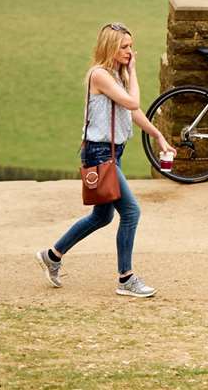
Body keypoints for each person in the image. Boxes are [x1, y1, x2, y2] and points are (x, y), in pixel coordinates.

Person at [37, 22, 175, 298]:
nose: (130, 52)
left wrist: (158, 135)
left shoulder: (115, 75)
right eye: (124, 47)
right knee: (131, 212)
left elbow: (131, 113)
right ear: (110, 47)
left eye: (131, 46)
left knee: (102, 216)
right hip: (99, 153)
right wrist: (133, 72)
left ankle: (52, 256)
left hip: (111, 153)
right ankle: (126, 278)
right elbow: (133, 103)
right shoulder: (99, 75)